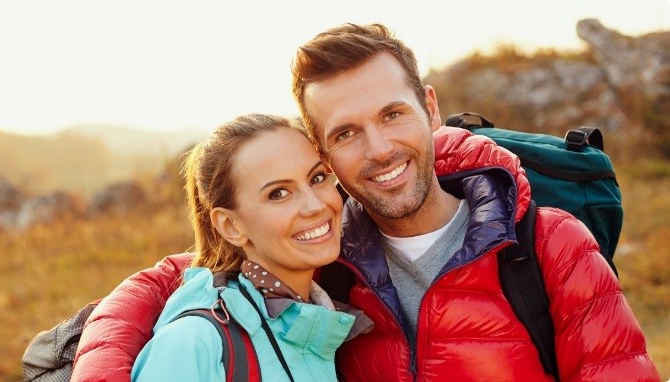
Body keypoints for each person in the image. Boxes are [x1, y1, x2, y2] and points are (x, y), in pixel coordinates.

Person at [72, 24, 659, 381]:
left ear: (429, 109)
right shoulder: (320, 250)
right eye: (346, 133)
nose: (379, 149)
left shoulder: (548, 242)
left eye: (392, 115)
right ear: (323, 150)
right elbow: (175, 278)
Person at [127, 113, 371, 381]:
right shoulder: (194, 342)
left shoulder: (321, 324)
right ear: (230, 225)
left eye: (317, 178)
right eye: (278, 193)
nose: (316, 205)